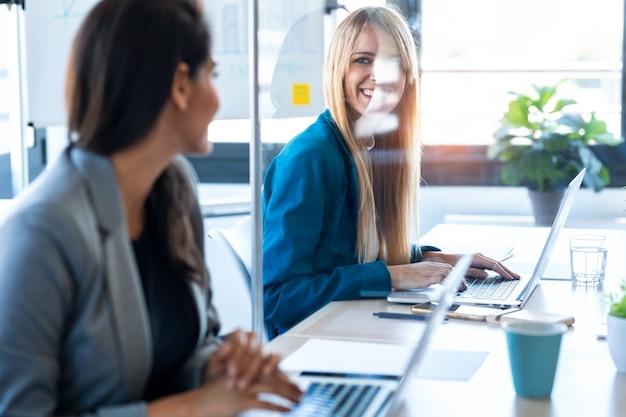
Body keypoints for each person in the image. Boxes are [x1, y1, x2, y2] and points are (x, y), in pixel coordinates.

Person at [0, 0, 302, 416]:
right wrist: (193, 407)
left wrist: (220, 365)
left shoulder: (174, 189)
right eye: (212, 75)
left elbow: (193, 343)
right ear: (180, 85)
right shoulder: (42, 229)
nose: (219, 99)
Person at [262, 6, 520, 339]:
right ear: (338, 69)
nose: (379, 76)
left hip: (353, 325)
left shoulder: (370, 147)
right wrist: (393, 276)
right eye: (363, 60)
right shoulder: (310, 159)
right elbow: (278, 298)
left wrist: (431, 259)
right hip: (314, 345)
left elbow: (349, 252)